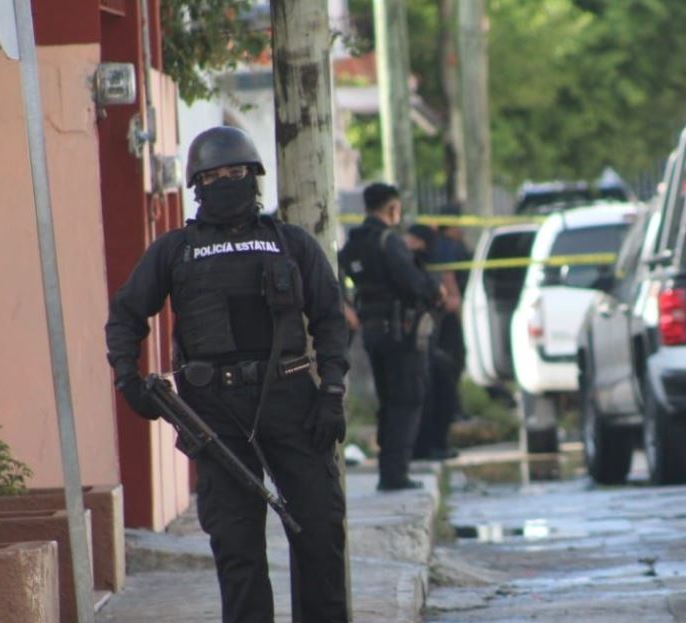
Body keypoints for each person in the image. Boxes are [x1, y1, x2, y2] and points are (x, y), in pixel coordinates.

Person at [104, 126, 350, 623]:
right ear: (197, 186)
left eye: (235, 172)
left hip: (291, 400)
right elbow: (125, 317)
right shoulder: (175, 250)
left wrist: (333, 392)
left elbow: (329, 320)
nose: (225, 182)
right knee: (238, 550)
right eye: (213, 176)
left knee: (320, 535)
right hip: (214, 414)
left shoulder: (292, 243)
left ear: (254, 178)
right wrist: (128, 381)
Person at [339, 183, 441, 490]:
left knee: (388, 400)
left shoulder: (355, 241)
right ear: (392, 209)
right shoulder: (390, 241)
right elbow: (411, 283)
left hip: (371, 331)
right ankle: (395, 474)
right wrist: (434, 289)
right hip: (400, 332)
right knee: (406, 399)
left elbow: (338, 273)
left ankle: (390, 469)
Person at [407, 222, 463, 461]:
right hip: (410, 339)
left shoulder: (433, 262)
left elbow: (452, 300)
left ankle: (433, 445)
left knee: (440, 385)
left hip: (430, 337)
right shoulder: (405, 262)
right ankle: (425, 447)